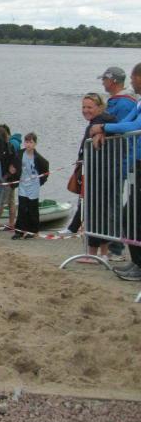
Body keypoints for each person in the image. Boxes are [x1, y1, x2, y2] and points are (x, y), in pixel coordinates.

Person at [90, 63, 141, 279]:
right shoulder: (137, 102)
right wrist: (105, 129)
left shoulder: (127, 101)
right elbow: (126, 122)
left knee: (130, 213)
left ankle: (132, 260)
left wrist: (104, 127)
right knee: (130, 214)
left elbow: (134, 126)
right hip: (135, 162)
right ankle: (136, 262)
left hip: (133, 161)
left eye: (133, 77)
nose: (131, 82)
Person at [73, 93, 116, 259]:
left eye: (89, 107)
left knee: (95, 212)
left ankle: (92, 253)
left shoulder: (101, 121)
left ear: (99, 107)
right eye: (83, 107)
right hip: (97, 172)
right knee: (100, 212)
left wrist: (100, 130)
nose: (85, 110)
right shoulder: (96, 123)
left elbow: (111, 120)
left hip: (100, 173)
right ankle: (102, 253)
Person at [99, 66, 135, 259]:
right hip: (112, 160)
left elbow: (124, 131)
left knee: (114, 202)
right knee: (108, 202)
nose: (102, 83)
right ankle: (110, 243)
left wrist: (102, 129)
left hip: (119, 160)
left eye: (104, 79)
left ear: (112, 80)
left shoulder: (124, 104)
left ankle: (116, 247)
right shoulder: (117, 101)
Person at [8, 132, 49, 239]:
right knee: (22, 207)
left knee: (32, 208)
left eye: (31, 142)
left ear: (35, 144)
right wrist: (12, 170)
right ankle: (19, 231)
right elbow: (13, 164)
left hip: (34, 185)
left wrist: (40, 182)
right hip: (23, 184)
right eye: (26, 142)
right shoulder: (20, 154)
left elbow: (45, 170)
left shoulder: (38, 158)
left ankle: (33, 231)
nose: (28, 144)